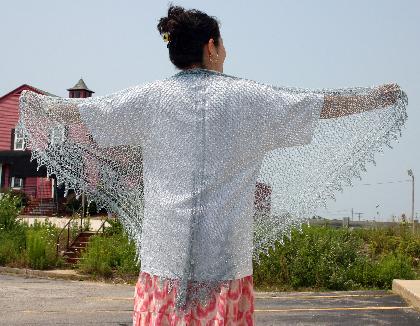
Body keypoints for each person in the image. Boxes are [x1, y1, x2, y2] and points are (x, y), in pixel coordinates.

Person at [18, 5, 407, 326]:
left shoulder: (149, 99)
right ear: (211, 46)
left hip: (163, 268)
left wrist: (38, 105)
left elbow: (82, 113)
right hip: (224, 270)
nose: (226, 52)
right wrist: (375, 99)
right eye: (224, 44)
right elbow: (318, 106)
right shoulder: (248, 99)